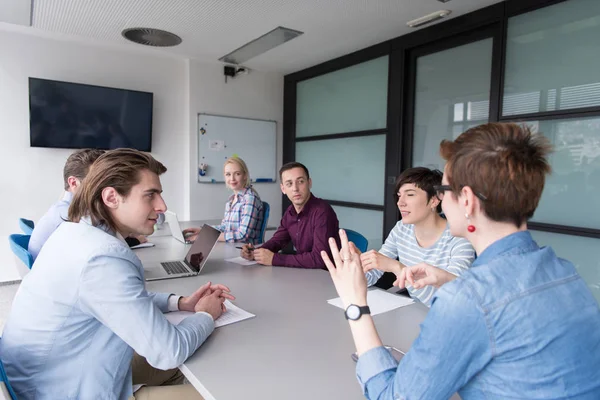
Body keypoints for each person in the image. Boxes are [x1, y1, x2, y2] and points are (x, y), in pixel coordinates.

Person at [322, 123, 600, 399]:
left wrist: (355, 304)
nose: (441, 200)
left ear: (465, 200)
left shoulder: (468, 299)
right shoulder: (566, 273)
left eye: (443, 191)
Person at [0, 149, 234, 399]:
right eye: (150, 195)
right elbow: (169, 351)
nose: (162, 206)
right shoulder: (103, 257)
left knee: (184, 371)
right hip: (62, 391)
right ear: (111, 197)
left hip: (49, 375)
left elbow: (122, 298)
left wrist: (179, 303)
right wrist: (205, 314)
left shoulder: (73, 232)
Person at [361, 167, 475, 306]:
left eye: (409, 195)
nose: (400, 202)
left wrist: (398, 268)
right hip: (411, 311)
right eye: (399, 195)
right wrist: (357, 267)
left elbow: (446, 302)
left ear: (434, 200)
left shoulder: (458, 237)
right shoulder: (402, 229)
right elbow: (372, 276)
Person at [240, 162, 339, 268]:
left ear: (309, 183)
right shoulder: (290, 212)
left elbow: (320, 259)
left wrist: (274, 259)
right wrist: (256, 252)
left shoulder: (322, 212)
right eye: (289, 184)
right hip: (306, 274)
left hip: (327, 277)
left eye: (300, 181)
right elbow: (277, 241)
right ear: (283, 189)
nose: (295, 188)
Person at [28, 148, 105, 261]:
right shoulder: (72, 217)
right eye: (97, 181)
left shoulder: (61, 208)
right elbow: (105, 247)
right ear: (73, 183)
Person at [184, 157, 263, 245]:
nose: (232, 178)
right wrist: (203, 231)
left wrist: (208, 236)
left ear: (245, 175)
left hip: (243, 250)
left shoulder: (250, 199)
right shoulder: (231, 199)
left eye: (237, 174)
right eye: (228, 174)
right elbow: (225, 227)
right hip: (231, 246)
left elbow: (243, 235)